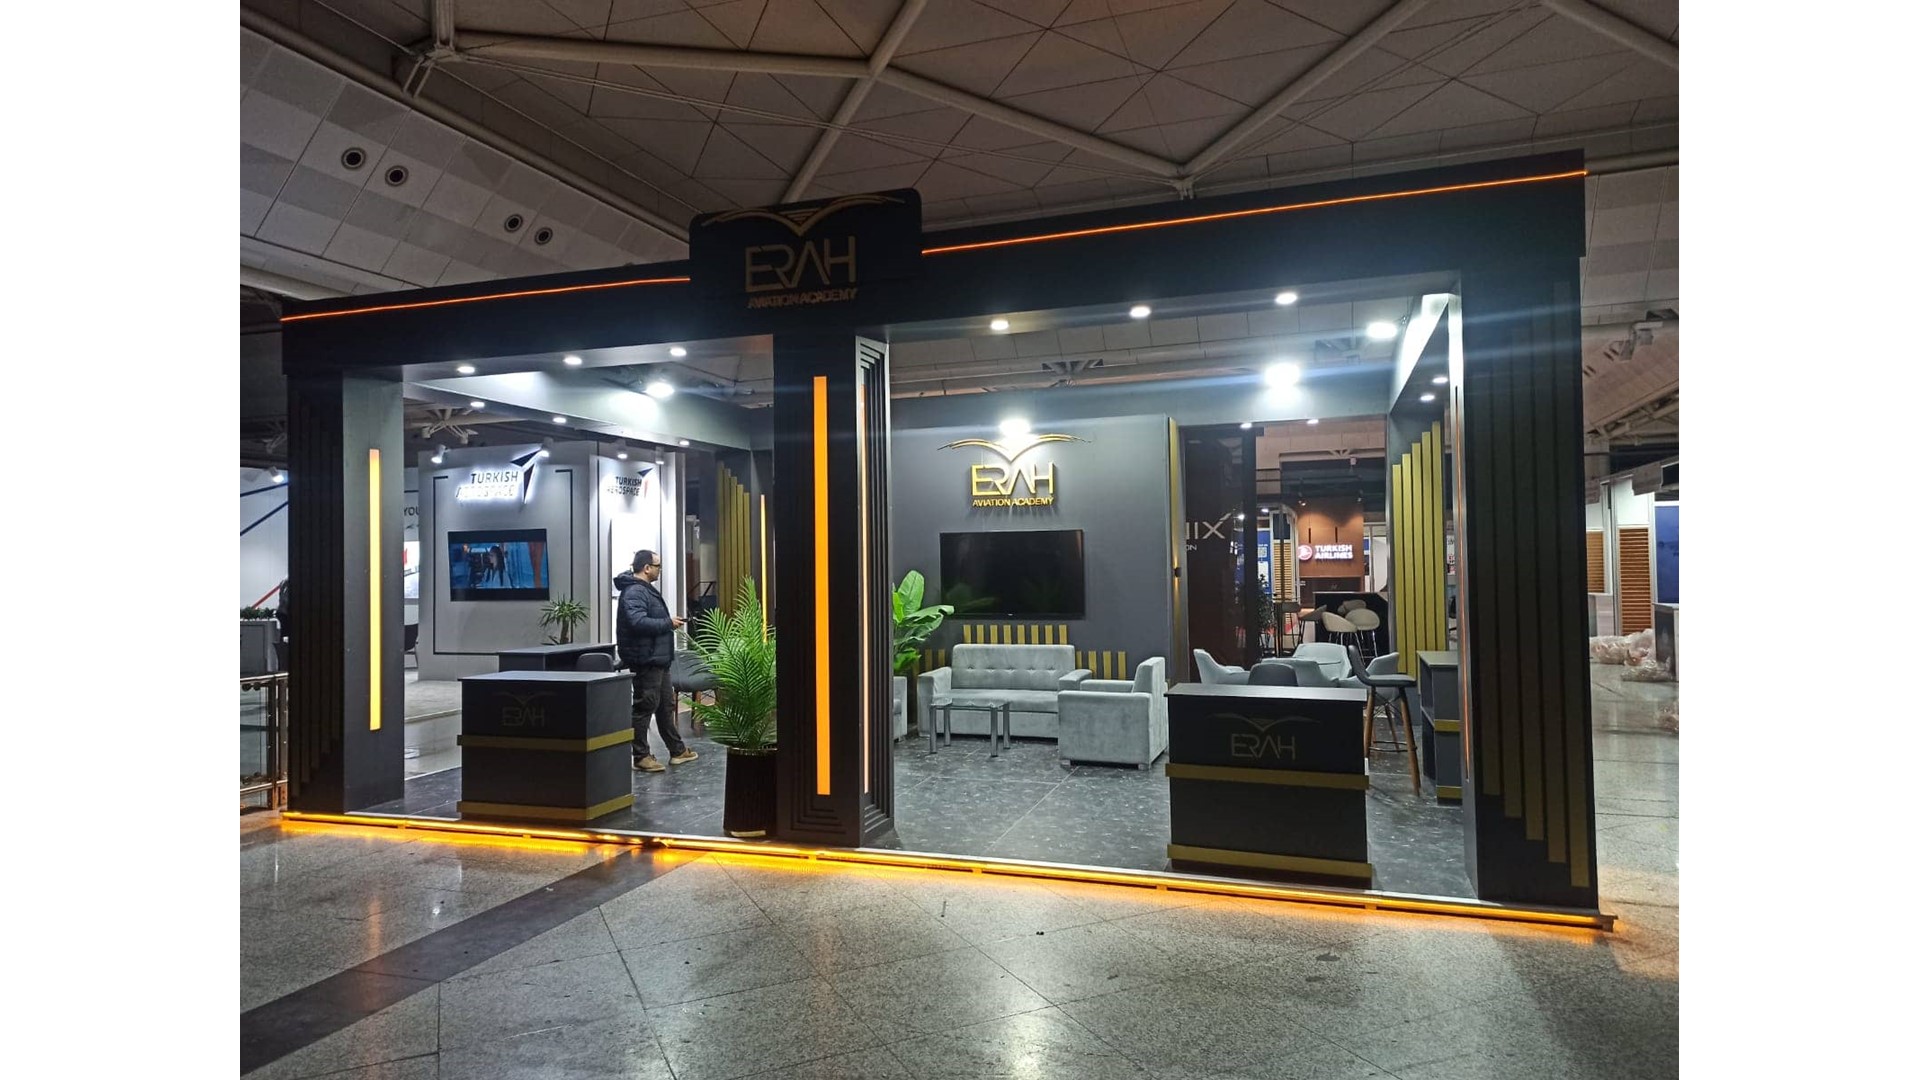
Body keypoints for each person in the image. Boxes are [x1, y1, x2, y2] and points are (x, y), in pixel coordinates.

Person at [614, 549, 697, 772]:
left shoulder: (643, 590)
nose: (660, 570)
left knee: (665, 706)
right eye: (658, 566)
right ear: (646, 568)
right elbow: (637, 622)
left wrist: (668, 623)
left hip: (657, 659)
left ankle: (677, 751)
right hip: (646, 659)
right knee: (645, 706)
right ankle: (641, 756)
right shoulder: (634, 592)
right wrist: (668, 623)